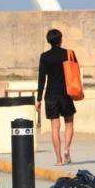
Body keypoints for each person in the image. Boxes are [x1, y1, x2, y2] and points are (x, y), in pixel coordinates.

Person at [36, 29, 76, 166]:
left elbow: (41, 79)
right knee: (69, 123)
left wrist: (39, 99)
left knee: (55, 127)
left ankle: (59, 160)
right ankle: (66, 149)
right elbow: (75, 71)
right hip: (66, 93)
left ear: (49, 41)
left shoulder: (44, 56)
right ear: (60, 39)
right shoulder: (68, 54)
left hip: (51, 95)